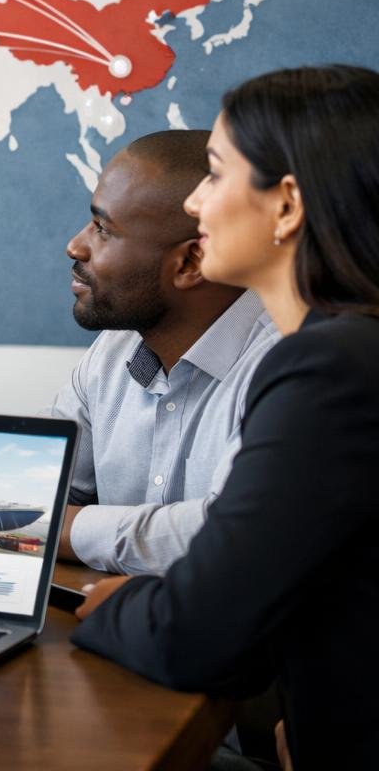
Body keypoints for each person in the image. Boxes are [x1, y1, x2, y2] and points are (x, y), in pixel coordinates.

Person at [73, 65, 379, 766]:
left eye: (214, 175)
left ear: (287, 205)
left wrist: (120, 603)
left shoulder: (328, 371)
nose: (197, 205)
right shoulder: (350, 350)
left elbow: (196, 638)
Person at [53, 130, 279, 575]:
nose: (76, 246)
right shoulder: (114, 349)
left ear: (191, 263)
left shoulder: (288, 365)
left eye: (103, 229)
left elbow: (225, 537)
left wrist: (57, 527)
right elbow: (32, 485)